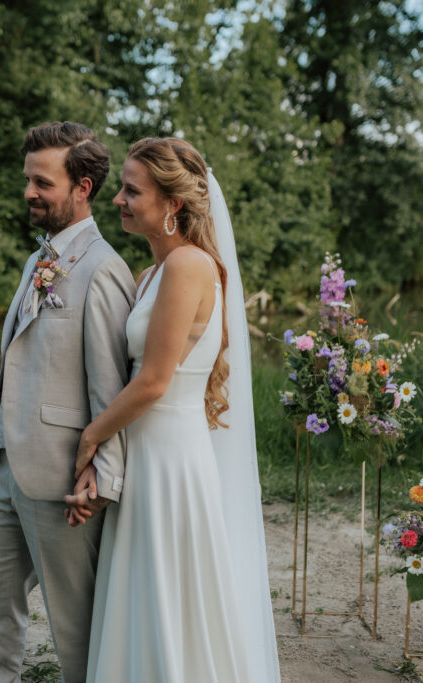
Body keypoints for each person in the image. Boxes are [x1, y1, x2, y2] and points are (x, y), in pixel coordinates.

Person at [65, 137, 281, 682]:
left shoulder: (187, 265)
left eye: (132, 190)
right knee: (145, 587)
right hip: (146, 451)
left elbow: (155, 381)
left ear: (172, 204)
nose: (118, 198)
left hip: (170, 459)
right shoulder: (152, 274)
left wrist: (89, 437)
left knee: (170, 590)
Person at [0, 121, 136, 683]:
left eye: (42, 182)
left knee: (74, 627)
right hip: (10, 468)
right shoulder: (36, 260)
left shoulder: (104, 270)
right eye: (27, 179)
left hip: (66, 477)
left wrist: (104, 479)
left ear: (82, 188)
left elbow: (112, 391)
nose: (28, 192)